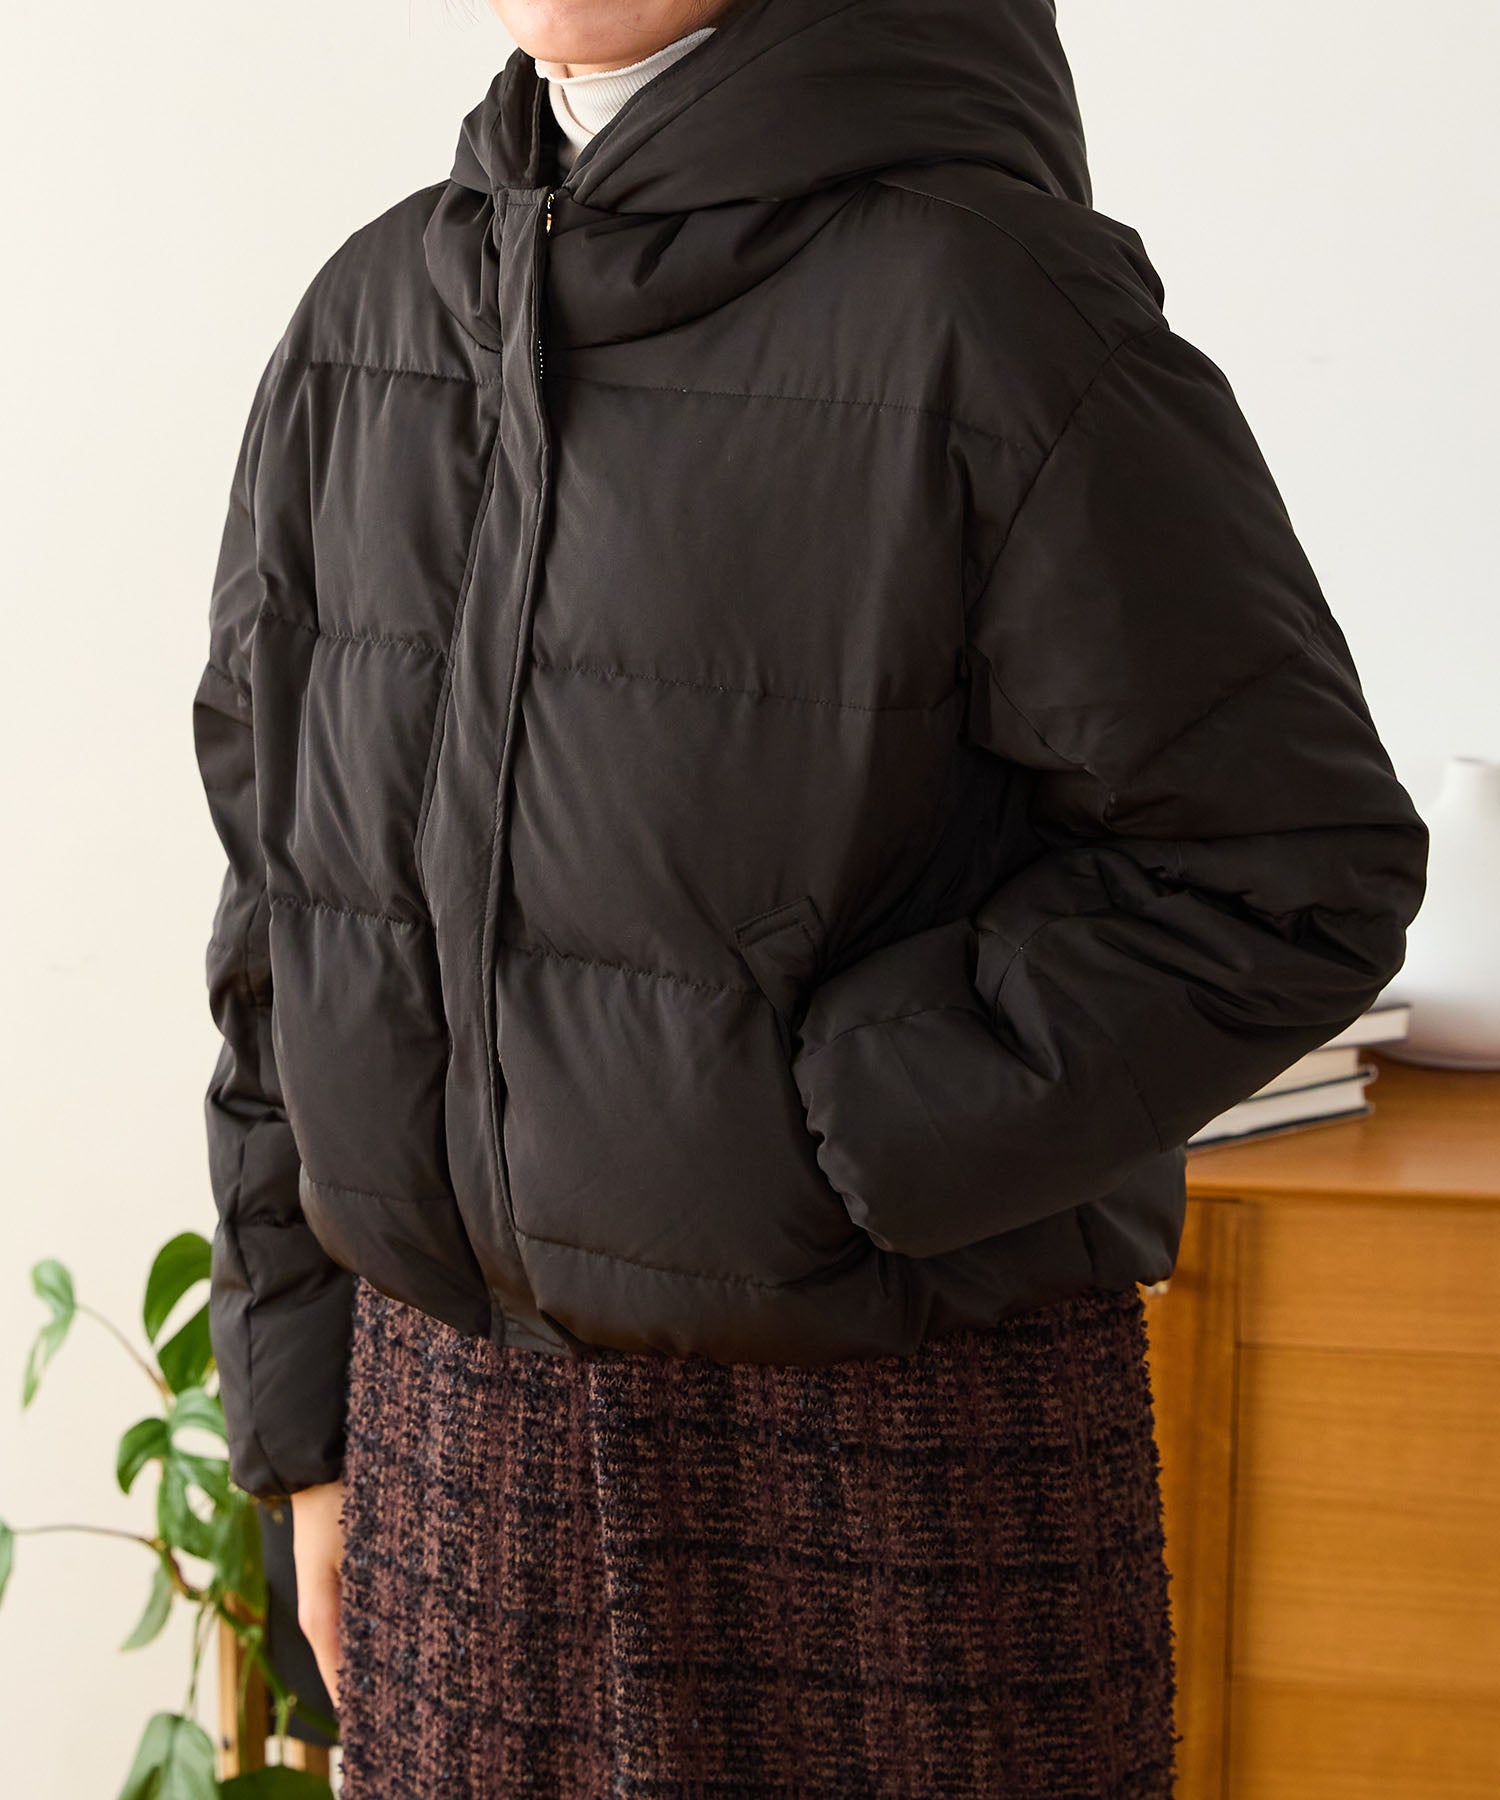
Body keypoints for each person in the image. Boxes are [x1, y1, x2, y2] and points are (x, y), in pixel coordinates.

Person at [191, 1, 1429, 1793]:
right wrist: (305, 1432)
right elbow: (278, 910)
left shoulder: (993, 310)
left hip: (892, 1459)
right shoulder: (366, 321)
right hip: (451, 1458)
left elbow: (1289, 867)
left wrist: (817, 1137)